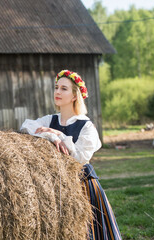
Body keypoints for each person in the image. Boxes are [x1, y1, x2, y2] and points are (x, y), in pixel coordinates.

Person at [20, 70, 122, 240]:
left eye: (64, 89)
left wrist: (58, 135)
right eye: (56, 87)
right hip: (52, 184)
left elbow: (78, 157)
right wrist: (51, 136)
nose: (57, 92)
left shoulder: (86, 126)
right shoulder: (50, 119)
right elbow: (26, 127)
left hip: (80, 185)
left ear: (75, 95)